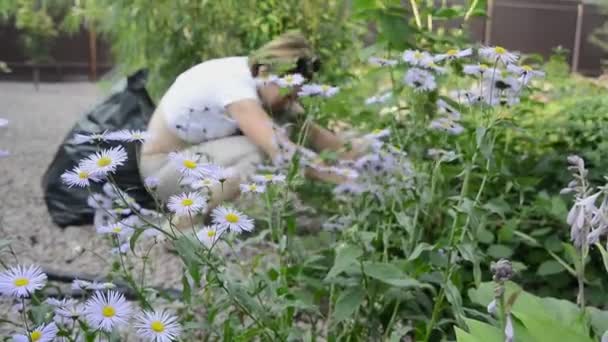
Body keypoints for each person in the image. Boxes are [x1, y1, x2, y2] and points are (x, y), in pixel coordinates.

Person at [139, 31, 363, 212]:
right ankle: (182, 228)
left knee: (286, 125)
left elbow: (315, 135)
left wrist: (366, 161)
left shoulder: (258, 81)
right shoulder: (235, 88)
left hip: (196, 165)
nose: (292, 102)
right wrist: (346, 182)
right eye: (288, 94)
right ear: (265, 72)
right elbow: (281, 151)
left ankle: (204, 214)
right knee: (257, 151)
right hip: (162, 172)